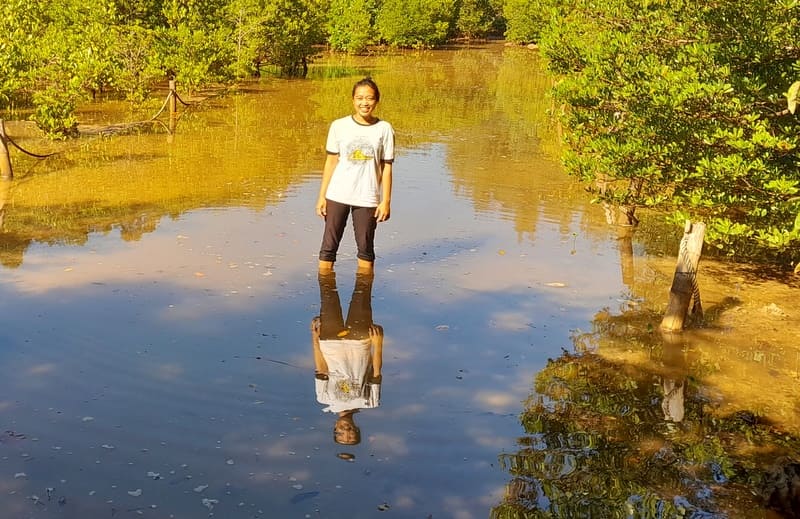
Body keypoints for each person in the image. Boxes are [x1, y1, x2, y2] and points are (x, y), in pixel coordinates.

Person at [316, 77, 395, 274]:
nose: (364, 103)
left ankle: (364, 297)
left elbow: (387, 167)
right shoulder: (339, 126)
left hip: (367, 197)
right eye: (360, 98)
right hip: (337, 194)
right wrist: (321, 197)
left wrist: (385, 201)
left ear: (377, 101)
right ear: (353, 100)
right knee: (328, 249)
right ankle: (327, 298)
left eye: (369, 98)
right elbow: (331, 162)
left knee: (366, 249)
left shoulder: (384, 129)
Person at [311, 270, 384, 448]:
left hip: (330, 343)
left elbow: (321, 369)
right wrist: (378, 344)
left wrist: (315, 338)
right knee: (362, 291)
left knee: (327, 294)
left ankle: (327, 259)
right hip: (359, 343)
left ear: (335, 428)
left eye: (341, 434)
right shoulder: (369, 402)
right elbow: (376, 374)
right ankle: (365, 253)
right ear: (356, 429)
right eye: (350, 434)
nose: (346, 431)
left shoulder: (324, 398)